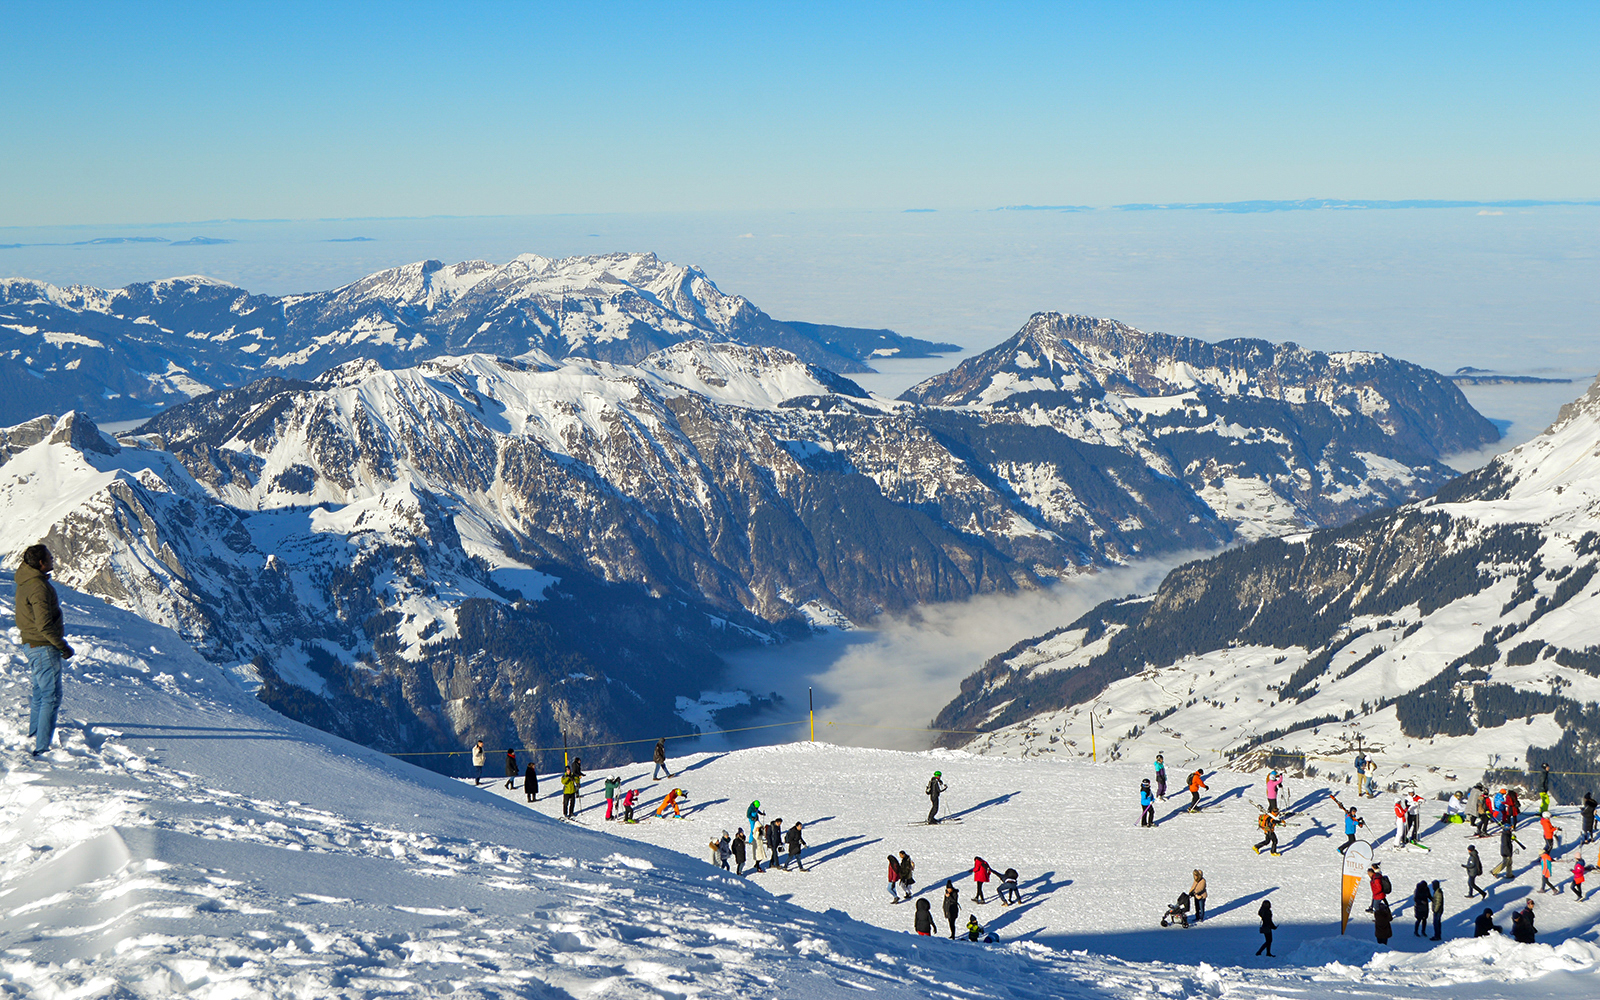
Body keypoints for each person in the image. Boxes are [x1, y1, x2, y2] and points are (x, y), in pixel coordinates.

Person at [15, 545, 74, 759]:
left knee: (40, 692)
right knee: (51, 696)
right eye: (50, 557)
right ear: (41, 563)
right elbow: (44, 624)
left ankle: (34, 734)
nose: (53, 559)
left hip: (32, 644)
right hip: (43, 647)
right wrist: (62, 646)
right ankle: (42, 749)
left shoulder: (25, 581)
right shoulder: (38, 587)